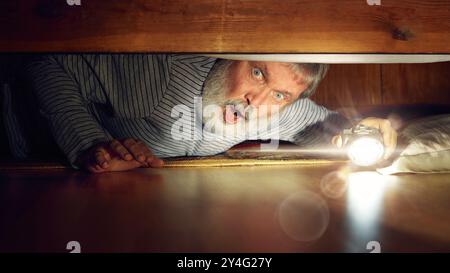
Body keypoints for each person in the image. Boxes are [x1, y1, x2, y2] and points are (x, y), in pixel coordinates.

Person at [17, 54, 396, 172]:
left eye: (280, 93)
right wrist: (92, 144)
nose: (256, 101)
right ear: (232, 55)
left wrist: (362, 130)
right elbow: (46, 65)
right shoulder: (163, 78)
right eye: (257, 72)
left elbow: (324, 126)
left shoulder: (276, 110)